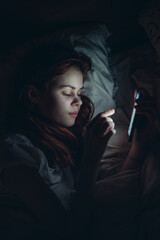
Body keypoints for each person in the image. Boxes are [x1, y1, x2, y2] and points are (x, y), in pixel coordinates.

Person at [0, 42, 156, 240]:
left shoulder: (65, 145)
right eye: (67, 93)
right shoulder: (13, 151)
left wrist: (139, 144)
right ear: (33, 95)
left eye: (80, 92)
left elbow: (97, 195)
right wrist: (92, 158)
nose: (78, 101)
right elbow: (71, 231)